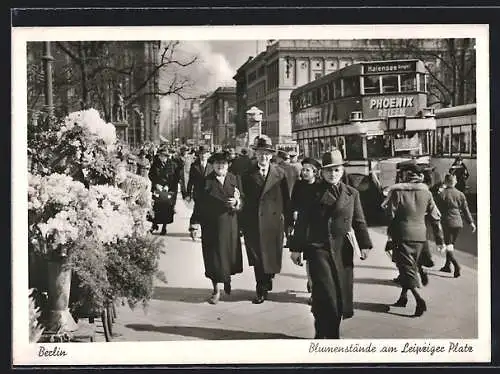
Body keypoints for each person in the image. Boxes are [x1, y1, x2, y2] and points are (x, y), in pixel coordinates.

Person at [290, 149, 372, 339]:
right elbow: (302, 221)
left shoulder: (352, 194)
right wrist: (295, 248)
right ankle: (329, 334)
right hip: (319, 248)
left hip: (343, 250)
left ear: (342, 171)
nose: (333, 174)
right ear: (322, 172)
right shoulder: (312, 192)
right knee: (327, 294)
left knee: (340, 293)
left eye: (336, 170)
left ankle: (324, 331)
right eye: (329, 171)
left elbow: (359, 221)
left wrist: (365, 244)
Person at [383, 162, 444, 317]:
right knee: (409, 266)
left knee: (405, 269)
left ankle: (419, 300)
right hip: (420, 236)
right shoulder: (427, 193)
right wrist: (439, 240)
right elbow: (436, 217)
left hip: (401, 235)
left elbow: (390, 215)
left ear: (405, 175)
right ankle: (403, 298)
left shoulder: (397, 192)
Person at [240, 135, 291, 304]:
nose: (263, 157)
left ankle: (268, 278)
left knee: (271, 256)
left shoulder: (280, 173)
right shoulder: (247, 174)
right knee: (258, 257)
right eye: (260, 153)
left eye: (267, 154)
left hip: (274, 222)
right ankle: (260, 288)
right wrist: (241, 223)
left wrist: (289, 222)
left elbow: (286, 199)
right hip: (253, 221)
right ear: (256, 154)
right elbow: (243, 197)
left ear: (271, 155)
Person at [193, 151, 244, 304]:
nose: (220, 166)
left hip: (230, 224)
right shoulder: (205, 181)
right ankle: (216, 290)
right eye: (217, 164)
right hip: (211, 225)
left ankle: (227, 280)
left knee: (228, 255)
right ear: (212, 165)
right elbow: (198, 204)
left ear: (228, 165)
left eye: (223, 164)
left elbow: (243, 199)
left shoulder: (235, 179)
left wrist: (237, 203)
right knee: (213, 258)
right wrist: (194, 224)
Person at [289, 157, 322, 305]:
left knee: (314, 259)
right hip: (302, 225)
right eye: (303, 170)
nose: (304, 172)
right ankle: (311, 283)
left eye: (307, 170)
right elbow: (292, 204)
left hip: (316, 227)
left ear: (315, 172)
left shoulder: (321, 186)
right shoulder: (299, 185)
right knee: (307, 258)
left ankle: (315, 290)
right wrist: (291, 222)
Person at [436, 173, 476, 278]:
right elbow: (465, 210)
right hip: (458, 223)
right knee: (451, 245)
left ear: (445, 182)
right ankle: (447, 266)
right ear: (455, 182)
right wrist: (471, 222)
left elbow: (436, 209)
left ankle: (456, 265)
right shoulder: (460, 194)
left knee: (448, 246)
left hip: (447, 222)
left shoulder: (442, 194)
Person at [148, 146, 183, 235]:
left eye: (163, 156)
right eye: (160, 156)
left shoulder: (172, 165)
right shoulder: (155, 164)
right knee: (156, 207)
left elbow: (175, 178)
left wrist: (168, 185)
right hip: (157, 188)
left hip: (169, 189)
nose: (161, 158)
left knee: (166, 208)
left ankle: (164, 227)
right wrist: (156, 184)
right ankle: (154, 224)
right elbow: (151, 175)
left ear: (167, 156)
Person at [186, 145, 213, 234]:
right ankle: (193, 226)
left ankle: (204, 230)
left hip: (209, 193)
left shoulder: (211, 166)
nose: (203, 156)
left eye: (205, 154)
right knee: (197, 209)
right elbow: (190, 181)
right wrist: (188, 194)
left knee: (207, 211)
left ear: (208, 155)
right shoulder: (194, 166)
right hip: (198, 193)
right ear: (199, 155)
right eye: (201, 154)